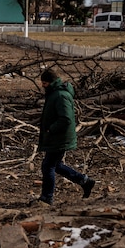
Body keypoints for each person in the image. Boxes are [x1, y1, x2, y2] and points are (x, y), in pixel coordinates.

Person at [33, 69, 95, 206]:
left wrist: (51, 129)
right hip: (56, 137)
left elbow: (66, 118)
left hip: (59, 137)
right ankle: (85, 181)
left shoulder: (60, 96)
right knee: (57, 165)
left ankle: (46, 197)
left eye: (44, 83)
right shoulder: (54, 93)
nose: (42, 86)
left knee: (48, 165)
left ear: (51, 82)